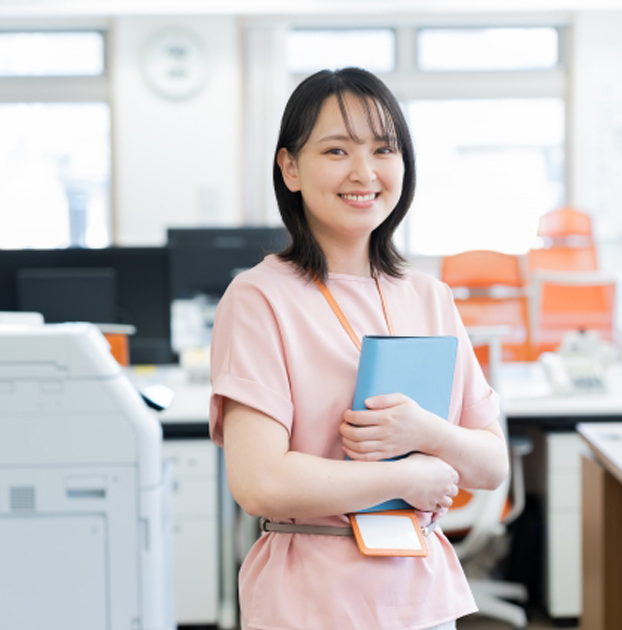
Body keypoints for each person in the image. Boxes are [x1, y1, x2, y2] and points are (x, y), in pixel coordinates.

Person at [209, 67, 509, 630]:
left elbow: (491, 465)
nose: (364, 172)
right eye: (336, 151)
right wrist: (403, 479)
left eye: (383, 149)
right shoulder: (258, 298)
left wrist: (428, 434)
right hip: (311, 599)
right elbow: (260, 482)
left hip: (422, 594)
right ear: (290, 168)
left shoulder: (430, 295)